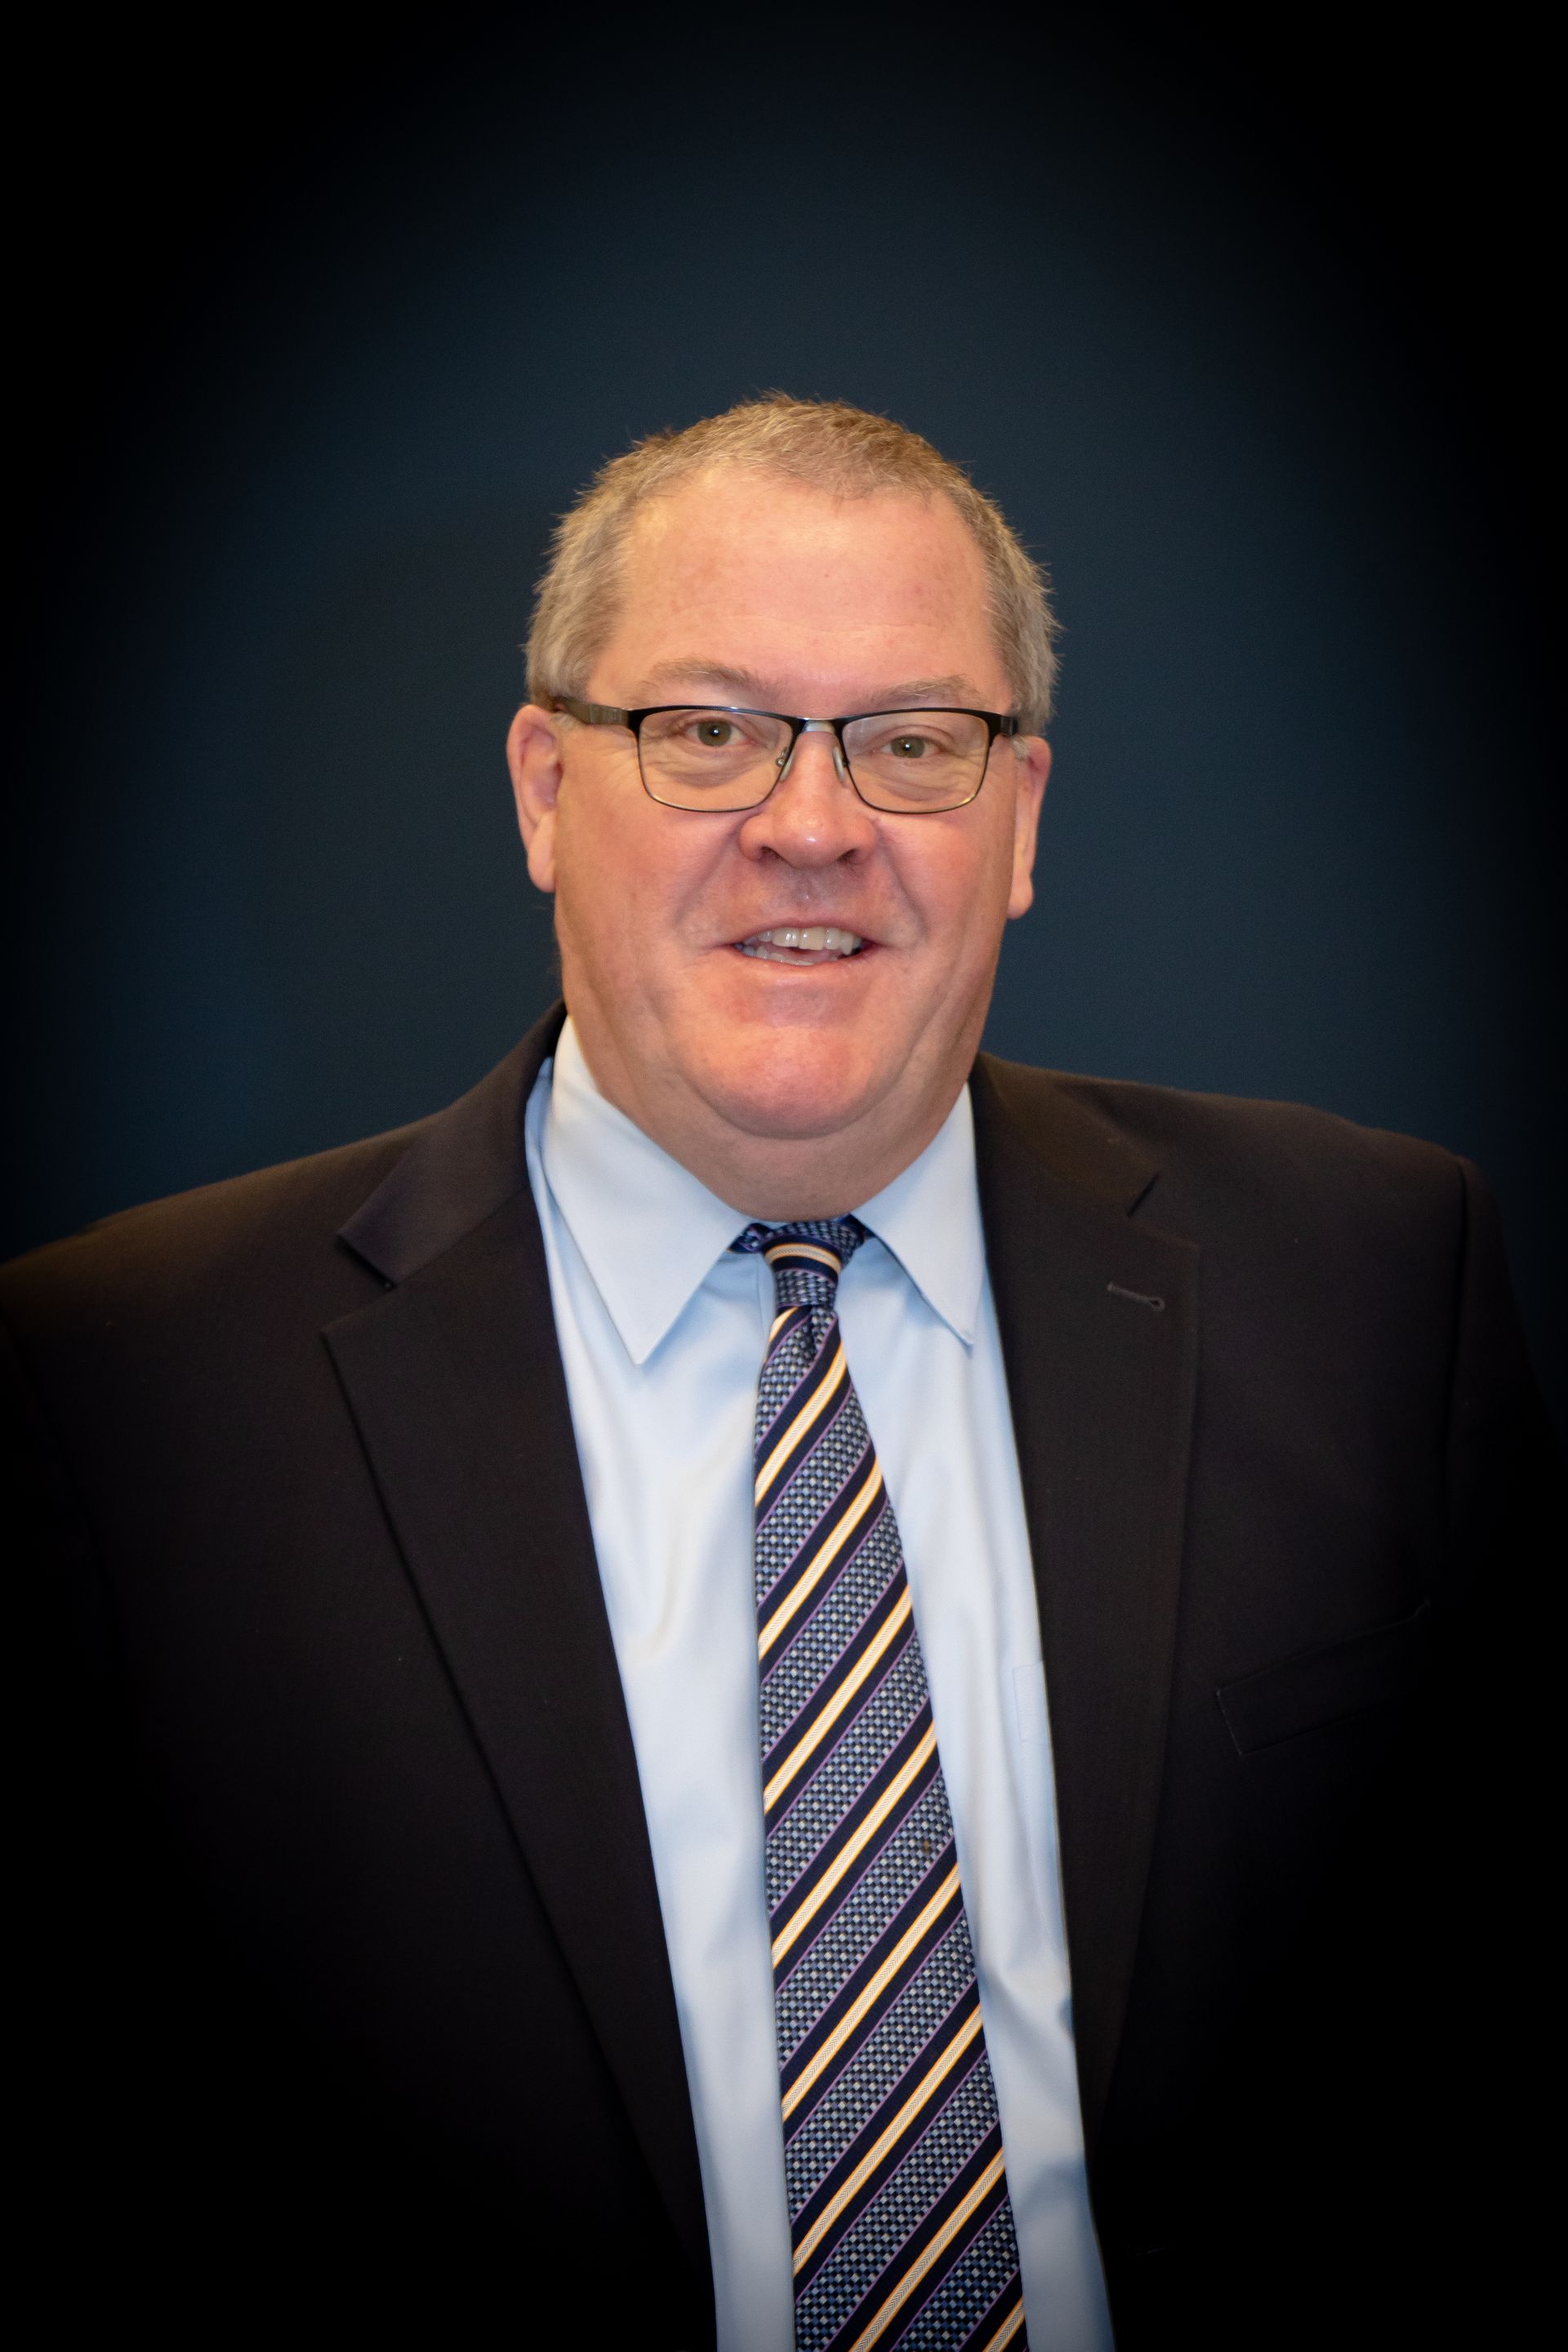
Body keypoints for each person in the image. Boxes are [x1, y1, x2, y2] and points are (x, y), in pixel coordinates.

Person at [4, 398, 1552, 2350]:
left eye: (913, 742)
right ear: (546, 791)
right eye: (708, 731)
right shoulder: (120, 1392)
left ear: (1022, 823)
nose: (811, 823)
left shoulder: (1375, 1279)